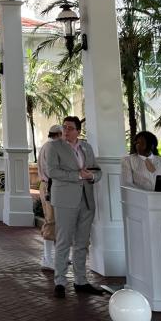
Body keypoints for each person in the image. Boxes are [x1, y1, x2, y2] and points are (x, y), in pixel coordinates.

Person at [47, 115, 105, 298]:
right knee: (64, 241)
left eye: (70, 128)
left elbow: (96, 169)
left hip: (86, 200)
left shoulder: (86, 147)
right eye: (64, 127)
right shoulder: (53, 147)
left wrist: (92, 176)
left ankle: (81, 281)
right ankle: (60, 283)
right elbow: (52, 171)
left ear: (78, 131)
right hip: (65, 200)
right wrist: (78, 176)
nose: (66, 131)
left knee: (82, 242)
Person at [36, 123, 63, 270]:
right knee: (51, 221)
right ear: (58, 134)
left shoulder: (47, 147)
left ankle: (54, 256)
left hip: (49, 186)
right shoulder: (52, 148)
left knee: (54, 221)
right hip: (50, 187)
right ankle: (47, 258)